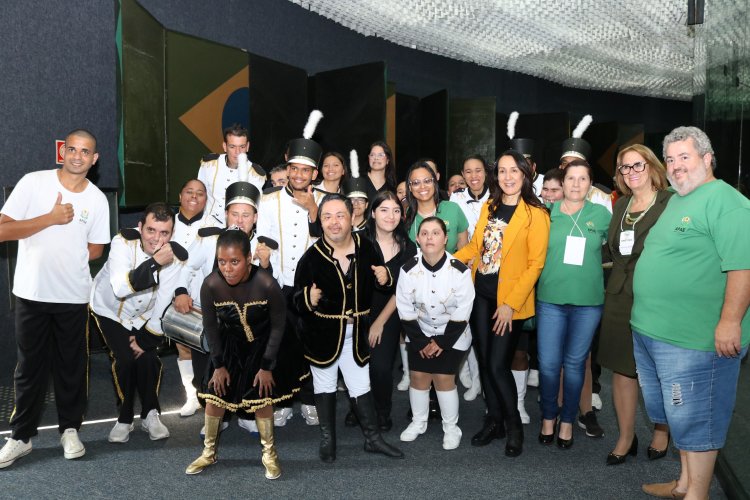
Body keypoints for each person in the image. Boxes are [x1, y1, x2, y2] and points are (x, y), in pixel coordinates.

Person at [632, 127, 750, 499]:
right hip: (654, 333)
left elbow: (743, 267)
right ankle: (684, 483)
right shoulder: (680, 199)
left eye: (685, 156)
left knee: (698, 420)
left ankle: (697, 493)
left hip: (695, 341)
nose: (676, 165)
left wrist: (730, 321)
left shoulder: (727, 202)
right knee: (678, 417)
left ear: (707, 158)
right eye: (670, 159)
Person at [0, 129, 110, 469]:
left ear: (94, 159)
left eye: (85, 151)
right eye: (72, 149)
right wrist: (49, 219)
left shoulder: (97, 200)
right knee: (30, 368)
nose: (78, 156)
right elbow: (3, 229)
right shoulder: (34, 183)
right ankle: (21, 437)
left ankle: (70, 430)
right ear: (63, 152)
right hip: (32, 294)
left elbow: (96, 249)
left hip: (73, 297)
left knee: (71, 367)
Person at [185, 230, 307, 479]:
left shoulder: (266, 283)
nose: (227, 268)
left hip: (266, 344)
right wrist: (218, 365)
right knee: (213, 395)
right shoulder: (210, 285)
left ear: (249, 258)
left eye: (234, 261)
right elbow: (211, 327)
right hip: (231, 343)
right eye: (222, 261)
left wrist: (266, 366)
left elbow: (278, 326)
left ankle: (269, 453)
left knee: (262, 397)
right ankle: (209, 452)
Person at [294, 194, 404, 462]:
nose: (334, 222)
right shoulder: (310, 258)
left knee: (360, 384)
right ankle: (327, 440)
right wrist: (306, 299)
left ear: (352, 218)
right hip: (323, 337)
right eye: (328, 216)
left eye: (340, 215)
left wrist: (385, 277)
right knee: (325, 385)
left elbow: (383, 283)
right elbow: (294, 300)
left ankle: (373, 438)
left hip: (356, 337)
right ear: (320, 221)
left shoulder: (366, 247)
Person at [453, 150, 550, 456]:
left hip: (509, 302)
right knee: (484, 361)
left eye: (514, 171)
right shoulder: (490, 207)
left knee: (497, 364)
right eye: (503, 171)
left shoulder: (537, 214)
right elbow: (474, 247)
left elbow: (535, 265)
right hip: (480, 294)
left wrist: (509, 303)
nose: (508, 177)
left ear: (525, 175)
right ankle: (493, 420)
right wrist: (447, 265)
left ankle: (514, 426)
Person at [175, 180, 277, 436]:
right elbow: (187, 266)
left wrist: (265, 265)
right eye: (234, 213)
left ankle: (245, 411)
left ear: (255, 217)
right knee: (207, 369)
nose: (240, 220)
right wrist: (181, 291)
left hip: (248, 324)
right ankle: (216, 414)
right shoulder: (210, 239)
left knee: (246, 369)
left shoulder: (264, 246)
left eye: (245, 214)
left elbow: (276, 289)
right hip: (210, 317)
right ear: (225, 214)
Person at [597, 144, 672, 466]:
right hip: (618, 296)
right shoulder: (622, 204)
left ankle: (661, 430)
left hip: (657, 295)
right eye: (625, 168)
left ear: (652, 166)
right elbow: (612, 253)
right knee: (622, 371)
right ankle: (626, 435)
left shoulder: (671, 202)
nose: (631, 173)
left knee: (658, 369)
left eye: (637, 165)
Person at [90, 203, 185, 444]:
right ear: (140, 226)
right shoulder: (122, 242)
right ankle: (124, 418)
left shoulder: (176, 256)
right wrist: (154, 262)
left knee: (148, 359)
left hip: (144, 315)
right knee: (124, 359)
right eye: (151, 230)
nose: (157, 238)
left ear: (172, 233)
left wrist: (146, 340)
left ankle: (150, 414)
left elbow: (164, 300)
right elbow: (121, 288)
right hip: (110, 310)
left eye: (164, 233)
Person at [256, 113, 326, 426]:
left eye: (305, 169)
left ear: (314, 172)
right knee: (282, 342)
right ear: (288, 167)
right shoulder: (268, 201)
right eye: (294, 168)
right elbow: (264, 241)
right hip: (283, 283)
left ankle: (310, 399)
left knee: (313, 343)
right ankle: (284, 398)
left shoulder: (326, 200)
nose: (298, 174)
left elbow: (331, 240)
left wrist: (314, 211)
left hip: (315, 286)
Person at [536, 159, 611, 449]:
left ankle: (567, 420)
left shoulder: (601, 215)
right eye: (571, 179)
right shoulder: (546, 214)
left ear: (590, 185)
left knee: (575, 364)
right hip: (550, 301)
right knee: (549, 365)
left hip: (588, 303)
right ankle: (548, 417)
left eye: (583, 179)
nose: (576, 184)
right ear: (562, 182)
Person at [397, 217, 475, 451]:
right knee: (418, 376)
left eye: (436, 233)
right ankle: (418, 422)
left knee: (443, 378)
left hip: (452, 333)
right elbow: (404, 306)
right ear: (418, 238)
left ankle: (451, 428)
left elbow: (463, 309)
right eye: (425, 233)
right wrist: (421, 341)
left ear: (446, 238)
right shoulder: (408, 269)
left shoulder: (458, 271)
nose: (430, 237)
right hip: (418, 330)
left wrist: (441, 342)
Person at [364, 191, 417, 430]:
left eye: (396, 210)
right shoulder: (359, 242)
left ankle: (382, 412)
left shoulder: (408, 247)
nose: (391, 215)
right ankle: (360, 409)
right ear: (373, 213)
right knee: (357, 365)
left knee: (381, 367)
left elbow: (404, 291)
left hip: (390, 310)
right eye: (384, 210)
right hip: (359, 312)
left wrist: (379, 322)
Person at [450, 154, 494, 401]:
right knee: (473, 329)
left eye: (478, 171)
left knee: (490, 334)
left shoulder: (497, 197)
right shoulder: (456, 199)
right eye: (468, 172)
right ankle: (477, 380)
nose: (473, 176)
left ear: (486, 173)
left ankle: (489, 384)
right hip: (466, 272)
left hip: (492, 273)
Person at [170, 179, 209, 417]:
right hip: (174, 293)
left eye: (200, 193)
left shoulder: (213, 226)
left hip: (204, 295)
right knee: (183, 347)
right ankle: (191, 396)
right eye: (189, 192)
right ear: (180, 195)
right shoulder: (167, 223)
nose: (194, 197)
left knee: (207, 349)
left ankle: (209, 396)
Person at [198, 123, 266, 226]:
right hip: (208, 224)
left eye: (242, 147)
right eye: (232, 146)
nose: (237, 152)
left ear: (247, 147)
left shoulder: (256, 175)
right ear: (225, 146)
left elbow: (256, 210)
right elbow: (200, 194)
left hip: (238, 228)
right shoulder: (209, 165)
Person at [404, 161, 469, 253]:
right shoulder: (407, 214)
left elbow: (464, 250)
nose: (422, 186)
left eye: (427, 181)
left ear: (434, 182)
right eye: (416, 183)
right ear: (410, 187)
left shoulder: (452, 209)